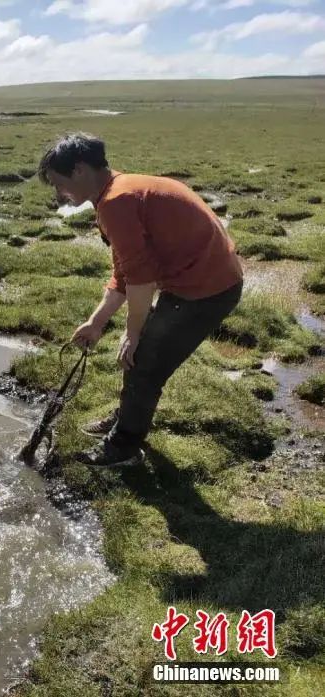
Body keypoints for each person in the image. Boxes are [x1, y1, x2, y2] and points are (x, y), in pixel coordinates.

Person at [37, 133, 243, 468]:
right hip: (198, 282)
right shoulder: (118, 191)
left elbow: (141, 279)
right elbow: (125, 269)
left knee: (144, 364)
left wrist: (132, 333)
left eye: (58, 183)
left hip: (207, 290)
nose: (59, 194)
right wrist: (97, 322)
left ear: (78, 170)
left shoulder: (118, 201)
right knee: (141, 359)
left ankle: (124, 448)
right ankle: (127, 417)